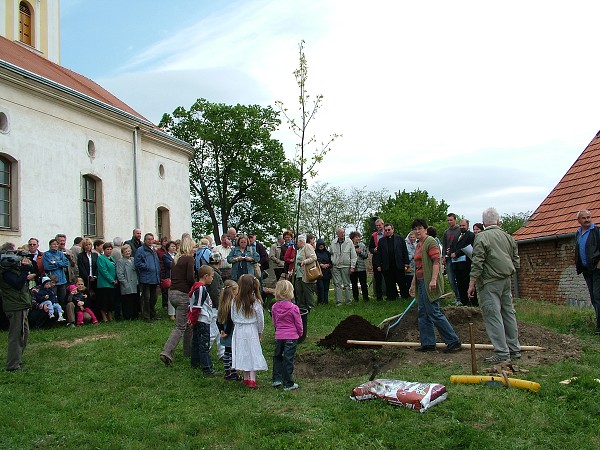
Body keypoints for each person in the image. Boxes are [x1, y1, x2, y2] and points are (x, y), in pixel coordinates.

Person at [468, 207, 521, 364]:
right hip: (506, 280)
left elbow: (477, 261)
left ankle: (502, 353)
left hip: (489, 282)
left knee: (493, 316)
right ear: (498, 221)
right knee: (508, 314)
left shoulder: (482, 237)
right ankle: (514, 350)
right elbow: (516, 259)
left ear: (484, 223)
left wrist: (472, 282)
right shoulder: (508, 237)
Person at [409, 219, 462, 353]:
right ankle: (428, 343)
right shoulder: (418, 245)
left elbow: (436, 262)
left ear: (425, 229)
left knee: (433, 312)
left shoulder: (430, 242)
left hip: (429, 282)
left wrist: (433, 280)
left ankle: (453, 341)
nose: (417, 231)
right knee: (422, 313)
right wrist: (413, 284)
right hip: (421, 282)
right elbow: (417, 267)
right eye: (415, 229)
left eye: (420, 228)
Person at [160, 235, 196, 366]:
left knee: (188, 323)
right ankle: (167, 352)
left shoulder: (176, 259)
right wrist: (197, 285)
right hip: (182, 295)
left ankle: (189, 351)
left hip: (173, 294)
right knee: (180, 326)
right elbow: (190, 277)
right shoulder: (189, 259)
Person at [1, 242, 36, 371]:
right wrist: (24, 271)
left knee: (24, 333)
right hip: (15, 306)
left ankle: (17, 359)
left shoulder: (11, 268)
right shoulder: (5, 271)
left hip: (21, 304)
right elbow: (17, 284)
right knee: (16, 335)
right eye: (12, 253)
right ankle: (12, 365)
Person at [231, 274, 268, 389]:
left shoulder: (235, 301)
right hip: (251, 329)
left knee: (243, 351)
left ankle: (246, 377)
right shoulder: (255, 302)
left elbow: (232, 316)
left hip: (239, 329)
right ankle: (252, 379)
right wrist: (260, 332)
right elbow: (260, 319)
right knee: (252, 352)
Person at [271, 279, 303, 391]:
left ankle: (276, 379)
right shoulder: (294, 308)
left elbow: (274, 322)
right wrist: (300, 333)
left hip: (279, 336)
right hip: (291, 336)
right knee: (288, 359)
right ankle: (288, 383)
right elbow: (298, 323)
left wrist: (278, 330)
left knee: (277, 357)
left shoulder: (274, 307)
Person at [187, 265, 216, 375]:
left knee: (196, 342)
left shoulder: (196, 287)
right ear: (206, 276)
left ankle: (195, 363)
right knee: (204, 344)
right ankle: (207, 368)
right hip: (202, 320)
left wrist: (190, 319)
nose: (212, 279)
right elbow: (197, 307)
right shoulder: (200, 288)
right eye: (212, 277)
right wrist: (192, 320)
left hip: (199, 320)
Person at [575, 209, 600, 333]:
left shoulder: (596, 231)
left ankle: (599, 327)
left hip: (597, 269)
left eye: (589, 217)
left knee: (598, 296)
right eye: (584, 218)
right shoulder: (578, 233)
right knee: (593, 297)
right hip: (586, 270)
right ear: (579, 220)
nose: (587, 220)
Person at [373, 223, 410, 300]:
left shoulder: (400, 239)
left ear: (393, 229)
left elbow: (404, 251)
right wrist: (379, 265)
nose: (387, 231)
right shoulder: (381, 241)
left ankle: (404, 296)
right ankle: (391, 297)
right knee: (389, 283)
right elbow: (379, 254)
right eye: (386, 230)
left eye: (389, 230)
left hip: (398, 264)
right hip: (387, 265)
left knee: (402, 282)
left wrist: (406, 263)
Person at [217, 280, 242, 381]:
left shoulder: (222, 304)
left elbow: (218, 320)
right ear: (233, 291)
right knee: (232, 353)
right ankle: (233, 372)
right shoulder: (232, 304)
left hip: (224, 332)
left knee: (227, 352)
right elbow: (231, 320)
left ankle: (227, 371)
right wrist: (226, 332)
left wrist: (221, 330)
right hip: (231, 332)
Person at [134, 233, 161, 322]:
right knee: (146, 298)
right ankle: (146, 316)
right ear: (145, 240)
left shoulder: (153, 250)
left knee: (154, 298)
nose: (150, 241)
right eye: (148, 239)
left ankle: (153, 314)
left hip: (154, 277)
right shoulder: (140, 250)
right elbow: (137, 263)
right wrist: (147, 266)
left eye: (152, 239)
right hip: (146, 278)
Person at [451, 219, 476, 306]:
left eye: (463, 226)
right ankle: (463, 301)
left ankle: (473, 302)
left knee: (467, 283)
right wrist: (450, 252)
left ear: (467, 226)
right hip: (457, 264)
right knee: (460, 284)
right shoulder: (457, 235)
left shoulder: (471, 235)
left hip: (466, 264)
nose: (462, 227)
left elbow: (468, 247)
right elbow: (453, 246)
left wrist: (457, 253)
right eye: (460, 226)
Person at [329, 228, 357, 306]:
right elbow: (330, 253)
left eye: (343, 233)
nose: (342, 235)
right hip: (336, 266)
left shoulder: (349, 242)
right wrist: (333, 261)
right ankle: (339, 302)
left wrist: (352, 266)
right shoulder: (333, 242)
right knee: (337, 284)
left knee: (347, 284)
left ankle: (349, 301)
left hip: (346, 265)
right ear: (337, 234)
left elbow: (353, 255)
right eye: (341, 233)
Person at [207, 251, 225, 360]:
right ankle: (204, 352)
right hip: (214, 307)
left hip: (214, 306)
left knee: (219, 331)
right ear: (219, 261)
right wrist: (220, 306)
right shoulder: (215, 275)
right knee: (213, 331)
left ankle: (222, 353)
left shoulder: (213, 272)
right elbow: (215, 292)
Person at [42, 238, 70, 306]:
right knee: (54, 300)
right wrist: (60, 263)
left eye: (57, 244)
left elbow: (66, 263)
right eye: (54, 244)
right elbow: (47, 267)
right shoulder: (47, 254)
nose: (55, 245)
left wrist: (55, 263)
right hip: (52, 281)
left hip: (62, 280)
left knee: (63, 300)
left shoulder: (60, 253)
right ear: (50, 245)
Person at [293, 234, 317, 311]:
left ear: (301, 241)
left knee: (307, 292)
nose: (295, 243)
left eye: (296, 242)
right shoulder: (299, 250)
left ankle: (311, 307)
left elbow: (314, 257)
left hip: (306, 273)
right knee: (298, 291)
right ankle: (301, 307)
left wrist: (305, 261)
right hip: (298, 274)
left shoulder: (308, 247)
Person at [442, 213, 462, 304]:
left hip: (459, 258)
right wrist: (443, 257)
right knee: (451, 279)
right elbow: (444, 245)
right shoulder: (446, 232)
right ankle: (457, 296)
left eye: (451, 220)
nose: (449, 222)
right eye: (448, 220)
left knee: (459, 278)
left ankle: (461, 297)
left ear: (455, 220)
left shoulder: (459, 230)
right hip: (449, 258)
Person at [116, 244, 139, 320]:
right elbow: (120, 274)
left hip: (135, 283)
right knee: (127, 301)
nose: (128, 252)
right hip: (127, 283)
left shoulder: (133, 259)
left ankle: (135, 315)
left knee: (135, 300)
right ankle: (128, 316)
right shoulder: (120, 261)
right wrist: (125, 283)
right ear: (122, 253)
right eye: (126, 251)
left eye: (129, 251)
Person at [96, 242, 118, 322]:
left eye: (110, 249)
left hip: (112, 284)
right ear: (104, 250)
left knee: (110, 301)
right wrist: (111, 280)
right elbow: (103, 270)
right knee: (104, 301)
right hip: (104, 284)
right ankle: (104, 317)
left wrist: (116, 279)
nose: (109, 251)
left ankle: (110, 316)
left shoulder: (112, 258)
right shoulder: (101, 258)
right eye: (107, 249)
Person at [349, 231, 369, 302]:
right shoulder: (349, 246)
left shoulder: (362, 245)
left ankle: (366, 298)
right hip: (353, 268)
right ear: (352, 238)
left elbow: (366, 256)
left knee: (363, 283)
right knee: (354, 284)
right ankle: (356, 298)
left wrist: (360, 252)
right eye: (356, 237)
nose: (358, 239)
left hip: (361, 268)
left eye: (358, 237)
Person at [368, 218, 385, 300]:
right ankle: (379, 296)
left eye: (380, 225)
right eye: (377, 226)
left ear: (383, 225)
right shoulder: (373, 235)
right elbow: (370, 248)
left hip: (386, 258)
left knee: (388, 278)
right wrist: (373, 250)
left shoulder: (387, 233)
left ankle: (390, 295)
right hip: (376, 258)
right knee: (377, 279)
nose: (378, 227)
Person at [162, 241, 177, 320]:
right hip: (170, 277)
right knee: (171, 295)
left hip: (178, 277)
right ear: (168, 248)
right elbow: (169, 265)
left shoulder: (177, 255)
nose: (174, 248)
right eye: (172, 246)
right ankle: (171, 314)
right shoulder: (165, 256)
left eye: (174, 246)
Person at [315, 238, 332, 304]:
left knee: (326, 288)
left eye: (322, 245)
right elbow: (314, 261)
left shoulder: (327, 253)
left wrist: (328, 265)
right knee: (320, 288)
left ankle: (326, 301)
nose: (321, 246)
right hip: (319, 272)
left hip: (327, 272)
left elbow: (331, 262)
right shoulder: (315, 252)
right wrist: (320, 264)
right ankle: (320, 301)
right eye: (319, 245)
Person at [405, 231, 417, 299]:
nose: (412, 239)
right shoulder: (406, 244)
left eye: (413, 237)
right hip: (409, 264)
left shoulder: (418, 244)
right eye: (411, 237)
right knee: (409, 279)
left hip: (416, 264)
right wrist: (412, 256)